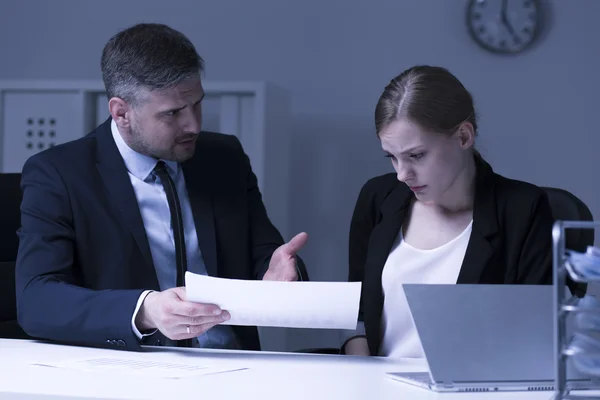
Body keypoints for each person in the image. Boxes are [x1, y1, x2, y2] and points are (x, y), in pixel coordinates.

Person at [15, 23, 309, 352]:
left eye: (197, 104)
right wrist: (145, 310)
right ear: (121, 112)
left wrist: (282, 275)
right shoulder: (59, 174)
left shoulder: (225, 158)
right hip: (129, 371)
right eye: (172, 113)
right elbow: (37, 299)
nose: (194, 125)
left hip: (232, 366)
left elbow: (264, 257)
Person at [341, 65, 563, 358]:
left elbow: (532, 338)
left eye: (416, 155)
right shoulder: (377, 197)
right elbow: (356, 310)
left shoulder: (524, 209)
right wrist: (362, 378)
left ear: (463, 136)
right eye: (392, 158)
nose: (402, 174)